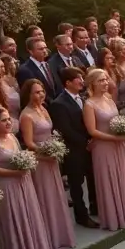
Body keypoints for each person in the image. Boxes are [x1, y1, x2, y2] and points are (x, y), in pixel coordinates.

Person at [0, 107, 52, 249]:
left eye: (8, 119)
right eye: (3, 120)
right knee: (15, 222)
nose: (8, 123)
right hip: (7, 186)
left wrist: (26, 164)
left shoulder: (13, 137)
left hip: (24, 182)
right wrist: (13, 173)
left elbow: (21, 155)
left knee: (29, 218)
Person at [18, 79, 76, 249]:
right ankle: (48, 239)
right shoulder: (26, 115)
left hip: (51, 159)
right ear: (28, 94)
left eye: (42, 91)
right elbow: (29, 142)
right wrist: (47, 151)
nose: (41, 94)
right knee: (45, 197)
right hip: (40, 161)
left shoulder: (43, 109)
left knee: (56, 195)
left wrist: (55, 146)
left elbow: (50, 133)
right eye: (36, 92)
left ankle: (61, 235)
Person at [83, 69, 125, 231]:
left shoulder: (109, 98)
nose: (105, 83)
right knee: (108, 179)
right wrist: (116, 138)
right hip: (103, 147)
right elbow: (92, 131)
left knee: (121, 176)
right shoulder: (89, 104)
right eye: (101, 80)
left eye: (106, 79)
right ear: (92, 83)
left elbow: (114, 120)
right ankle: (112, 218)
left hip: (118, 144)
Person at [47, 68, 99, 229]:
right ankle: (81, 216)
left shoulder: (84, 99)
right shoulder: (59, 104)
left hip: (89, 146)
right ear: (68, 83)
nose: (82, 81)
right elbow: (66, 130)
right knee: (77, 185)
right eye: (78, 79)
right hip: (74, 150)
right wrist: (86, 142)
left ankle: (95, 207)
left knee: (92, 179)